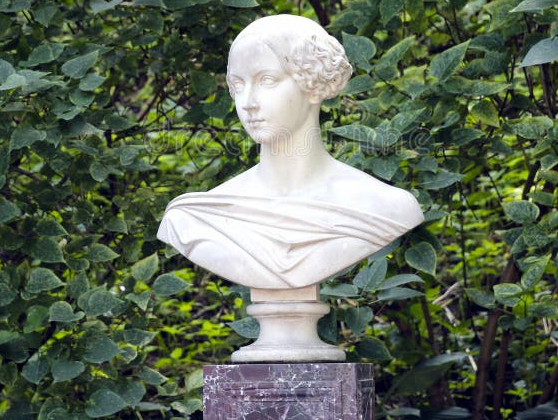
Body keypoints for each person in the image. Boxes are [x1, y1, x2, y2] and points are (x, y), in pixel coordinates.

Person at [157, 15, 423, 290]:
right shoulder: (194, 218)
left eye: (267, 80)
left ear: (314, 83)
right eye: (238, 85)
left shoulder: (386, 207)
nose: (247, 102)